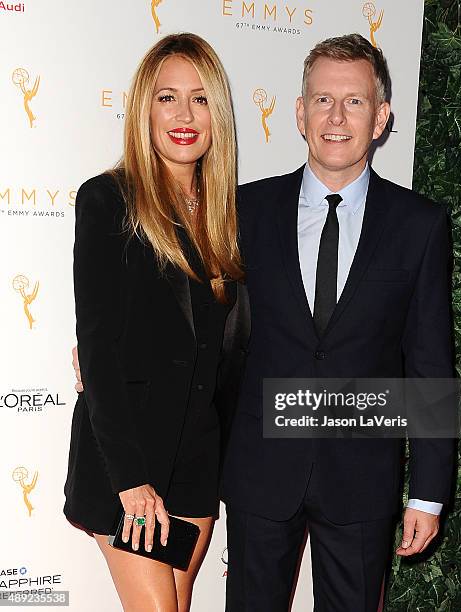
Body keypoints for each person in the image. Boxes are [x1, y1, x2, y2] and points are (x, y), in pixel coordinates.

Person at [221, 34, 455, 611]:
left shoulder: (419, 226)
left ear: (381, 118)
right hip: (260, 470)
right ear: (300, 113)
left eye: (354, 102)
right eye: (323, 100)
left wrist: (427, 494)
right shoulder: (245, 210)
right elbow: (205, 328)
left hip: (361, 477)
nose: (336, 116)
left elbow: (429, 365)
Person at [64, 33, 249, 612]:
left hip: (196, 463)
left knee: (179, 601)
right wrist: (130, 481)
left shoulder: (228, 219)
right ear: (144, 108)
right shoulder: (108, 201)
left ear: (217, 112)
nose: (185, 115)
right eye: (167, 97)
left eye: (200, 99)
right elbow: (96, 348)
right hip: (129, 463)